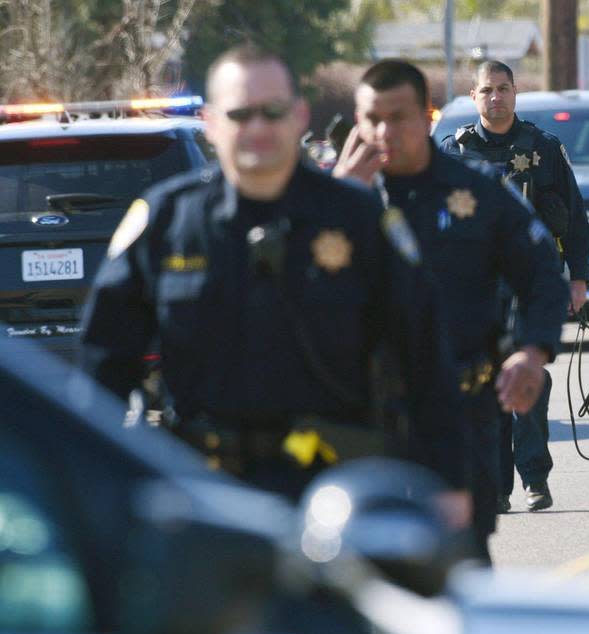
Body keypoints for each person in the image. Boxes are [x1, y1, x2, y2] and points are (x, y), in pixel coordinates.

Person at [79, 45, 472, 528]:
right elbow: (104, 365)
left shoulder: (359, 220)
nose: (258, 128)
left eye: (273, 111)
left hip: (337, 493)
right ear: (210, 123)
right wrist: (93, 486)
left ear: (299, 116)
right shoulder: (168, 222)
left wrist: (451, 483)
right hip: (204, 498)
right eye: (240, 114)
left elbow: (425, 357)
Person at [332, 59, 568, 561]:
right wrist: (338, 198)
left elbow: (542, 269)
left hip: (456, 416)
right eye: (372, 118)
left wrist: (532, 351)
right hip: (359, 420)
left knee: (459, 560)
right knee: (360, 571)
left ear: (426, 117)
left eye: (399, 117)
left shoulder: (477, 191)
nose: (384, 131)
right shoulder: (336, 198)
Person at [439, 60, 589, 513]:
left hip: (530, 284)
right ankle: (496, 487)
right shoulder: (452, 151)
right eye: (487, 90)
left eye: (503, 89)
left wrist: (577, 279)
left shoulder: (543, 148)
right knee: (485, 382)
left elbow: (576, 219)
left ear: (515, 93)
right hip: (475, 287)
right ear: (474, 96)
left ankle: (535, 479)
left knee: (528, 377)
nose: (496, 98)